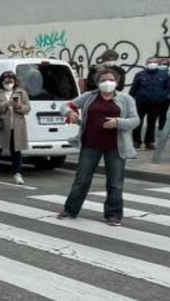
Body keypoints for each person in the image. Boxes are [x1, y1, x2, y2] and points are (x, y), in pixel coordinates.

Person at [59, 66, 140, 225]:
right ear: (97, 83)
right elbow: (66, 106)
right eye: (103, 80)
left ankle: (113, 215)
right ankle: (70, 210)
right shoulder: (89, 97)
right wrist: (69, 112)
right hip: (90, 144)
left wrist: (118, 122)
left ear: (117, 82)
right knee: (81, 180)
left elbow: (135, 120)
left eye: (111, 80)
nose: (107, 82)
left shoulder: (126, 99)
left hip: (116, 146)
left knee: (115, 183)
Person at [0, 70, 30, 185]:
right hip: (0, 126)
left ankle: (17, 174)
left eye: (11, 81)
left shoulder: (21, 92)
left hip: (16, 127)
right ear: (1, 82)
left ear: (15, 81)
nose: (8, 83)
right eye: (6, 81)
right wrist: (5, 104)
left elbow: (28, 108)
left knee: (16, 152)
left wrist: (19, 106)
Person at [129, 57, 170, 150]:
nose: (152, 63)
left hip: (155, 103)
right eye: (150, 62)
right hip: (141, 103)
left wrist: (162, 97)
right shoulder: (140, 74)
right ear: (146, 63)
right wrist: (132, 99)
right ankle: (136, 142)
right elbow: (133, 88)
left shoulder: (164, 75)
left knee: (152, 123)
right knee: (138, 122)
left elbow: (168, 88)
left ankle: (149, 142)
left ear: (158, 64)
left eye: (155, 62)